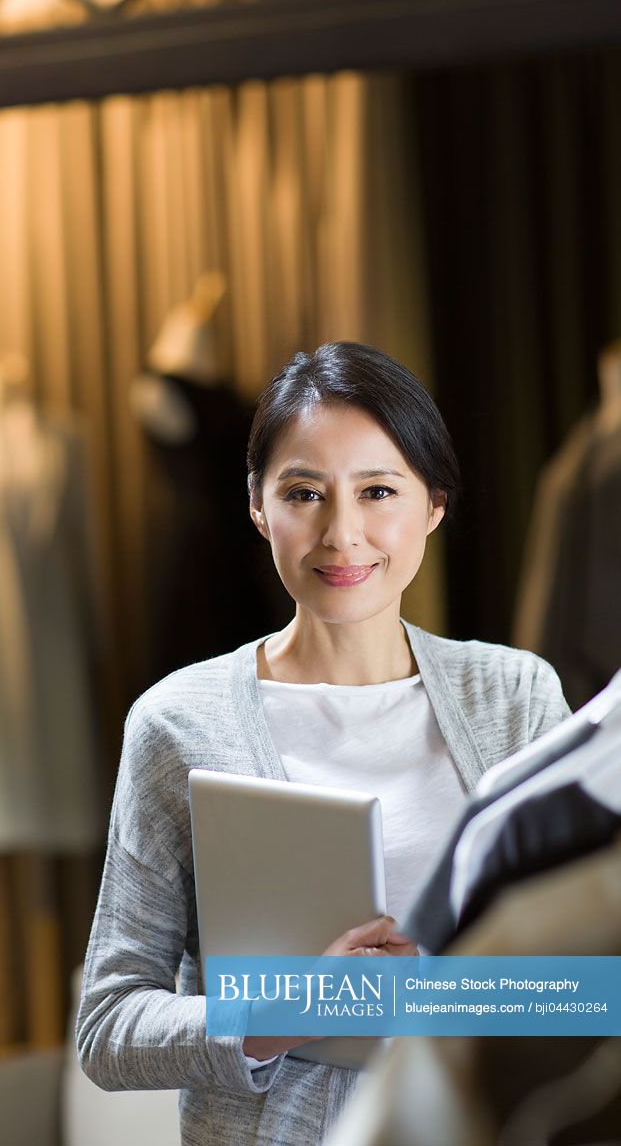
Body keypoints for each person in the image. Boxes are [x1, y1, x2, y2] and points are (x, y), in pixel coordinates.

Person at [76, 342, 571, 1146]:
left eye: (378, 490)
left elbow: (591, 986)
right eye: (303, 493)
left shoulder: (514, 697)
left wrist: (427, 993)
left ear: (433, 503)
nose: (342, 534)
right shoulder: (176, 722)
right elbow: (108, 1023)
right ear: (257, 505)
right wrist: (286, 1009)